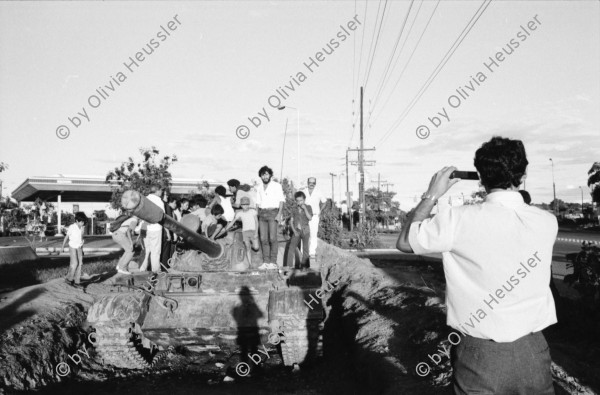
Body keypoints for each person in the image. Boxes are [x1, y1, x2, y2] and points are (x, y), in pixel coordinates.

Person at [397, 136, 557, 395]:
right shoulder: (547, 222)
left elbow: (405, 242)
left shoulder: (457, 220)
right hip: (534, 353)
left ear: (480, 178)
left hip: (479, 356)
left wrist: (432, 194)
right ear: (523, 174)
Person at [255, 166, 285, 270]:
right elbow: (257, 203)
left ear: (270, 175)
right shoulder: (258, 187)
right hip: (262, 214)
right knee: (263, 239)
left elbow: (281, 200)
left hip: (273, 213)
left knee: (273, 238)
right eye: (263, 174)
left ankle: (273, 262)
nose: (265, 176)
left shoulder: (277, 186)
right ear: (261, 176)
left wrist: (279, 214)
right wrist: (257, 215)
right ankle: (266, 262)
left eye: (267, 174)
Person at [223, 196, 259, 269]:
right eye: (243, 204)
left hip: (253, 231)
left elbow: (256, 222)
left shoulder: (253, 211)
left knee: (256, 247)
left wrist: (256, 232)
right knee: (247, 248)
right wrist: (225, 229)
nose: (245, 206)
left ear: (248, 204)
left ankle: (251, 245)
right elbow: (232, 222)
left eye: (246, 204)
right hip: (245, 232)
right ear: (241, 205)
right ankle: (250, 264)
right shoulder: (239, 213)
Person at [300, 177, 327, 261]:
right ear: (307, 183)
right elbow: (298, 201)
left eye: (313, 183)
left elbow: (324, 202)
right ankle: (302, 252)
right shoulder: (303, 191)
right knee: (303, 233)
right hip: (304, 215)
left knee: (313, 234)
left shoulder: (319, 192)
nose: (311, 184)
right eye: (310, 182)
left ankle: (312, 253)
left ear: (315, 183)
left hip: (315, 215)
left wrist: (320, 211)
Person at [140, 185, 164, 273]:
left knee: (146, 250)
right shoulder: (158, 201)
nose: (162, 192)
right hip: (155, 228)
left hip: (144, 228)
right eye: (161, 190)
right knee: (155, 251)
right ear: (157, 191)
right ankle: (156, 271)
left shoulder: (144, 199)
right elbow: (161, 216)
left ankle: (142, 269)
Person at [287, 191, 313, 269]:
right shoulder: (294, 209)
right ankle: (289, 266)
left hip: (305, 230)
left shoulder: (308, 207)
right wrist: (294, 231)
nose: (299, 202)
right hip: (297, 230)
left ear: (304, 200)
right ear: (296, 201)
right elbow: (291, 221)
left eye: (301, 200)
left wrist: (305, 209)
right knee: (291, 247)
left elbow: (310, 218)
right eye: (297, 201)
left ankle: (305, 266)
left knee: (305, 249)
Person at [62, 212, 88, 287]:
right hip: (72, 246)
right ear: (76, 221)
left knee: (80, 264)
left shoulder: (82, 228)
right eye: (81, 222)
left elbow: (81, 240)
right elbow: (66, 237)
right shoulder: (72, 227)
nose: (82, 223)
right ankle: (69, 279)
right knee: (74, 263)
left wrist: (82, 250)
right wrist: (62, 247)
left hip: (79, 247)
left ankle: (77, 282)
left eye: (83, 222)